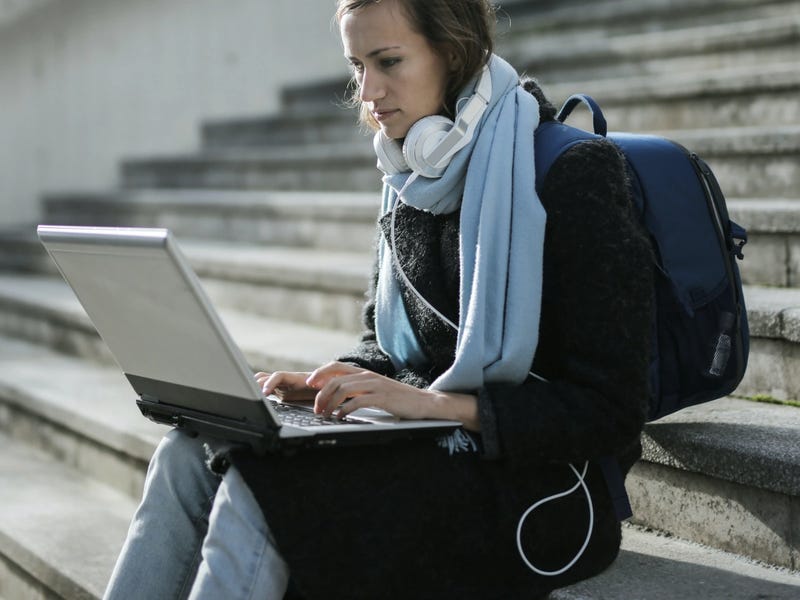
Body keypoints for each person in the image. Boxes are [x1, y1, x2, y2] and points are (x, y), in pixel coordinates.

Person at [104, 0, 654, 598]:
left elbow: (613, 408)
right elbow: (387, 345)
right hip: (425, 440)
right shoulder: (410, 173)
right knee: (186, 453)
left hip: (538, 480)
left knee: (261, 485)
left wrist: (435, 406)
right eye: (357, 65)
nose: (368, 90)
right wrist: (322, 382)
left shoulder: (576, 172)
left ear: (454, 51)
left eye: (388, 61)